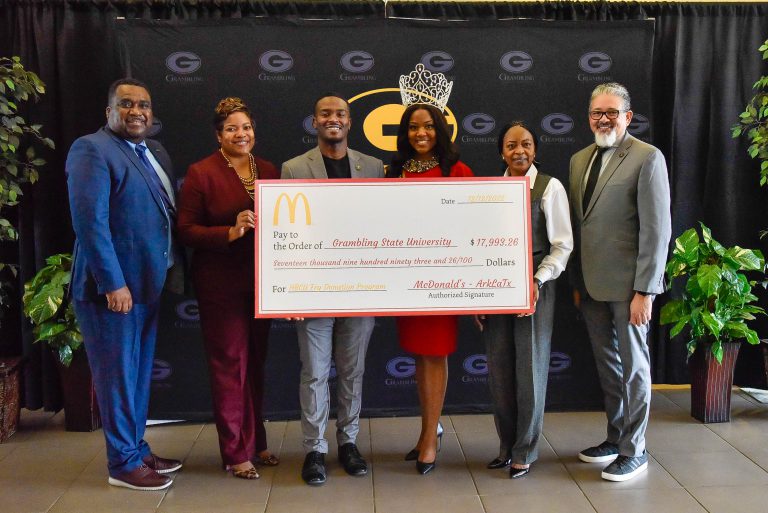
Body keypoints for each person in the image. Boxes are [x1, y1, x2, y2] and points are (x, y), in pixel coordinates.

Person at [66, 78, 183, 490]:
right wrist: (113, 284)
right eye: (127, 104)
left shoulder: (154, 151)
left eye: (144, 105)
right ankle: (122, 465)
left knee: (136, 375)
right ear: (109, 111)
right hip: (113, 293)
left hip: (147, 286)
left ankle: (135, 448)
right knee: (117, 378)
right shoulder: (91, 149)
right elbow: (90, 224)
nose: (137, 111)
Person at [569, 82, 671, 482]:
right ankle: (616, 438)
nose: (604, 119)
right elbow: (580, 226)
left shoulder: (647, 157)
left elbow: (657, 230)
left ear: (627, 116)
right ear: (589, 117)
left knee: (634, 369)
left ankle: (635, 449)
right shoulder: (578, 160)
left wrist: (646, 290)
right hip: (591, 285)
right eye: (597, 112)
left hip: (630, 289)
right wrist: (577, 281)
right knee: (609, 368)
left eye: (612, 112)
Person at [281, 92, 384, 486]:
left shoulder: (372, 167)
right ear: (315, 121)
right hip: (313, 288)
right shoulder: (294, 168)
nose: (333, 119)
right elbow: (284, 233)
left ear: (350, 121)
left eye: (340, 113)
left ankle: (349, 442)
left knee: (353, 371)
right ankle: (315, 448)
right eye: (325, 113)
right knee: (314, 372)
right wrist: (288, 291)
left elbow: (385, 225)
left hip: (361, 287)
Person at [177, 97, 279, 480]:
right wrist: (230, 231)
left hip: (263, 283)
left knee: (255, 364)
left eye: (246, 127)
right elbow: (186, 230)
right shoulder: (202, 172)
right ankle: (235, 452)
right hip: (221, 285)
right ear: (219, 135)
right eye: (232, 128)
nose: (241, 134)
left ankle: (257, 441)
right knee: (229, 366)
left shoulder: (267, 169)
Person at [475, 122, 573, 479]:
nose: (519, 151)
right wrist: (479, 296)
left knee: (530, 368)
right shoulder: (491, 190)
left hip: (535, 285)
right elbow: (478, 243)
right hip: (497, 285)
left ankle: (525, 449)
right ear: (502, 152)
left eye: (527, 144)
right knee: (499, 369)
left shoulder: (549, 187)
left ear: (535, 150)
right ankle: (506, 446)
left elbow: (562, 246)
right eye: (512, 145)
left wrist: (537, 280)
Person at [386, 103, 474, 475]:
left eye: (428, 126)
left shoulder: (458, 171)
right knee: (420, 356)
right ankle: (429, 430)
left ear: (440, 129)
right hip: (406, 280)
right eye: (412, 127)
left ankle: (428, 440)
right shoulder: (394, 172)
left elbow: (473, 226)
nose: (420, 133)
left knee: (435, 353)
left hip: (442, 280)